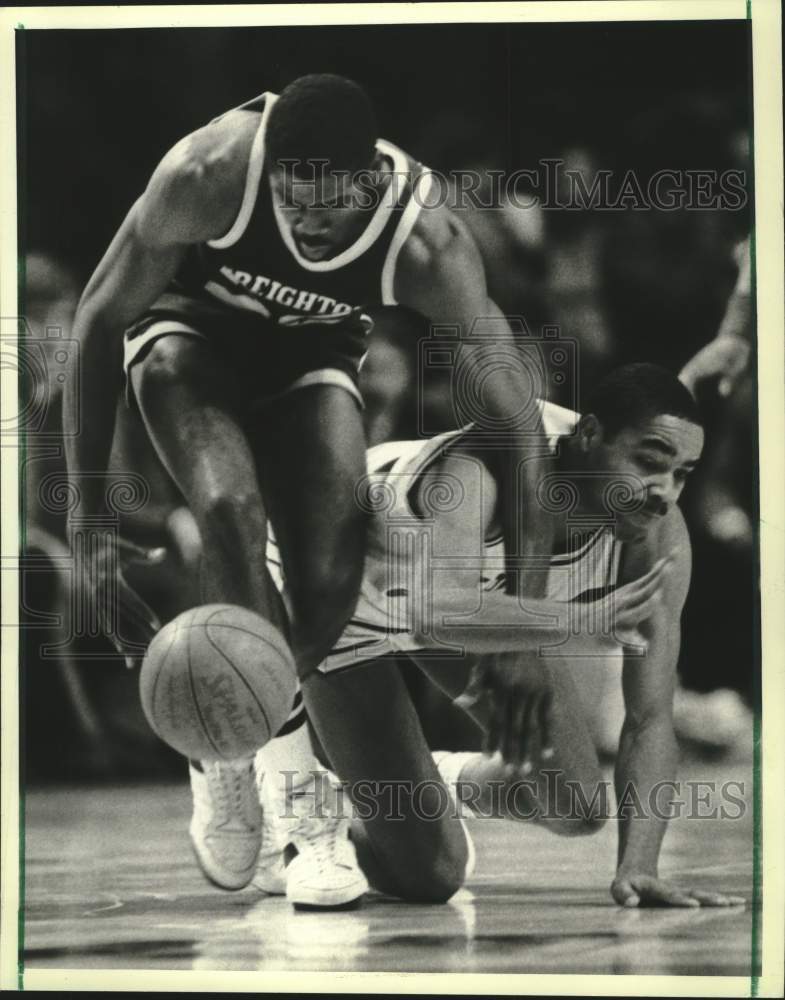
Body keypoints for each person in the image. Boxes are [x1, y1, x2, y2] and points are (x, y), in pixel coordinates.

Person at [63, 74, 552, 906]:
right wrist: (86, 507)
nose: (308, 226)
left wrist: (529, 625)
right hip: (187, 338)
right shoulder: (207, 171)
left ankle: (220, 732)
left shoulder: (427, 240)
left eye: (326, 210)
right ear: (270, 170)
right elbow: (99, 319)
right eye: (292, 204)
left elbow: (522, 430)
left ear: (367, 182)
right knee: (228, 508)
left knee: (325, 588)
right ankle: (295, 808)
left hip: (307, 356)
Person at [262, 363, 744, 907]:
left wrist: (639, 866)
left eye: (682, 474)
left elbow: (650, 717)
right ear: (587, 435)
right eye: (649, 463)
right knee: (434, 878)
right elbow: (435, 611)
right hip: (336, 591)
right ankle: (281, 810)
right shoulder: (486, 464)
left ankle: (434, 782)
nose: (664, 491)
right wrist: (580, 619)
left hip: (461, 604)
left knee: (577, 806)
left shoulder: (657, 541)